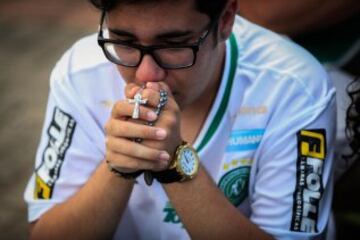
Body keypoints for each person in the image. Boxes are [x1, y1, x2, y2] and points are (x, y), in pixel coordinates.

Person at [24, 0, 336, 239]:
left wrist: (174, 162)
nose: (147, 74)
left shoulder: (296, 87)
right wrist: (118, 166)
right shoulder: (79, 74)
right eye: (124, 40)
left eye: (174, 45)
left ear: (226, 19)